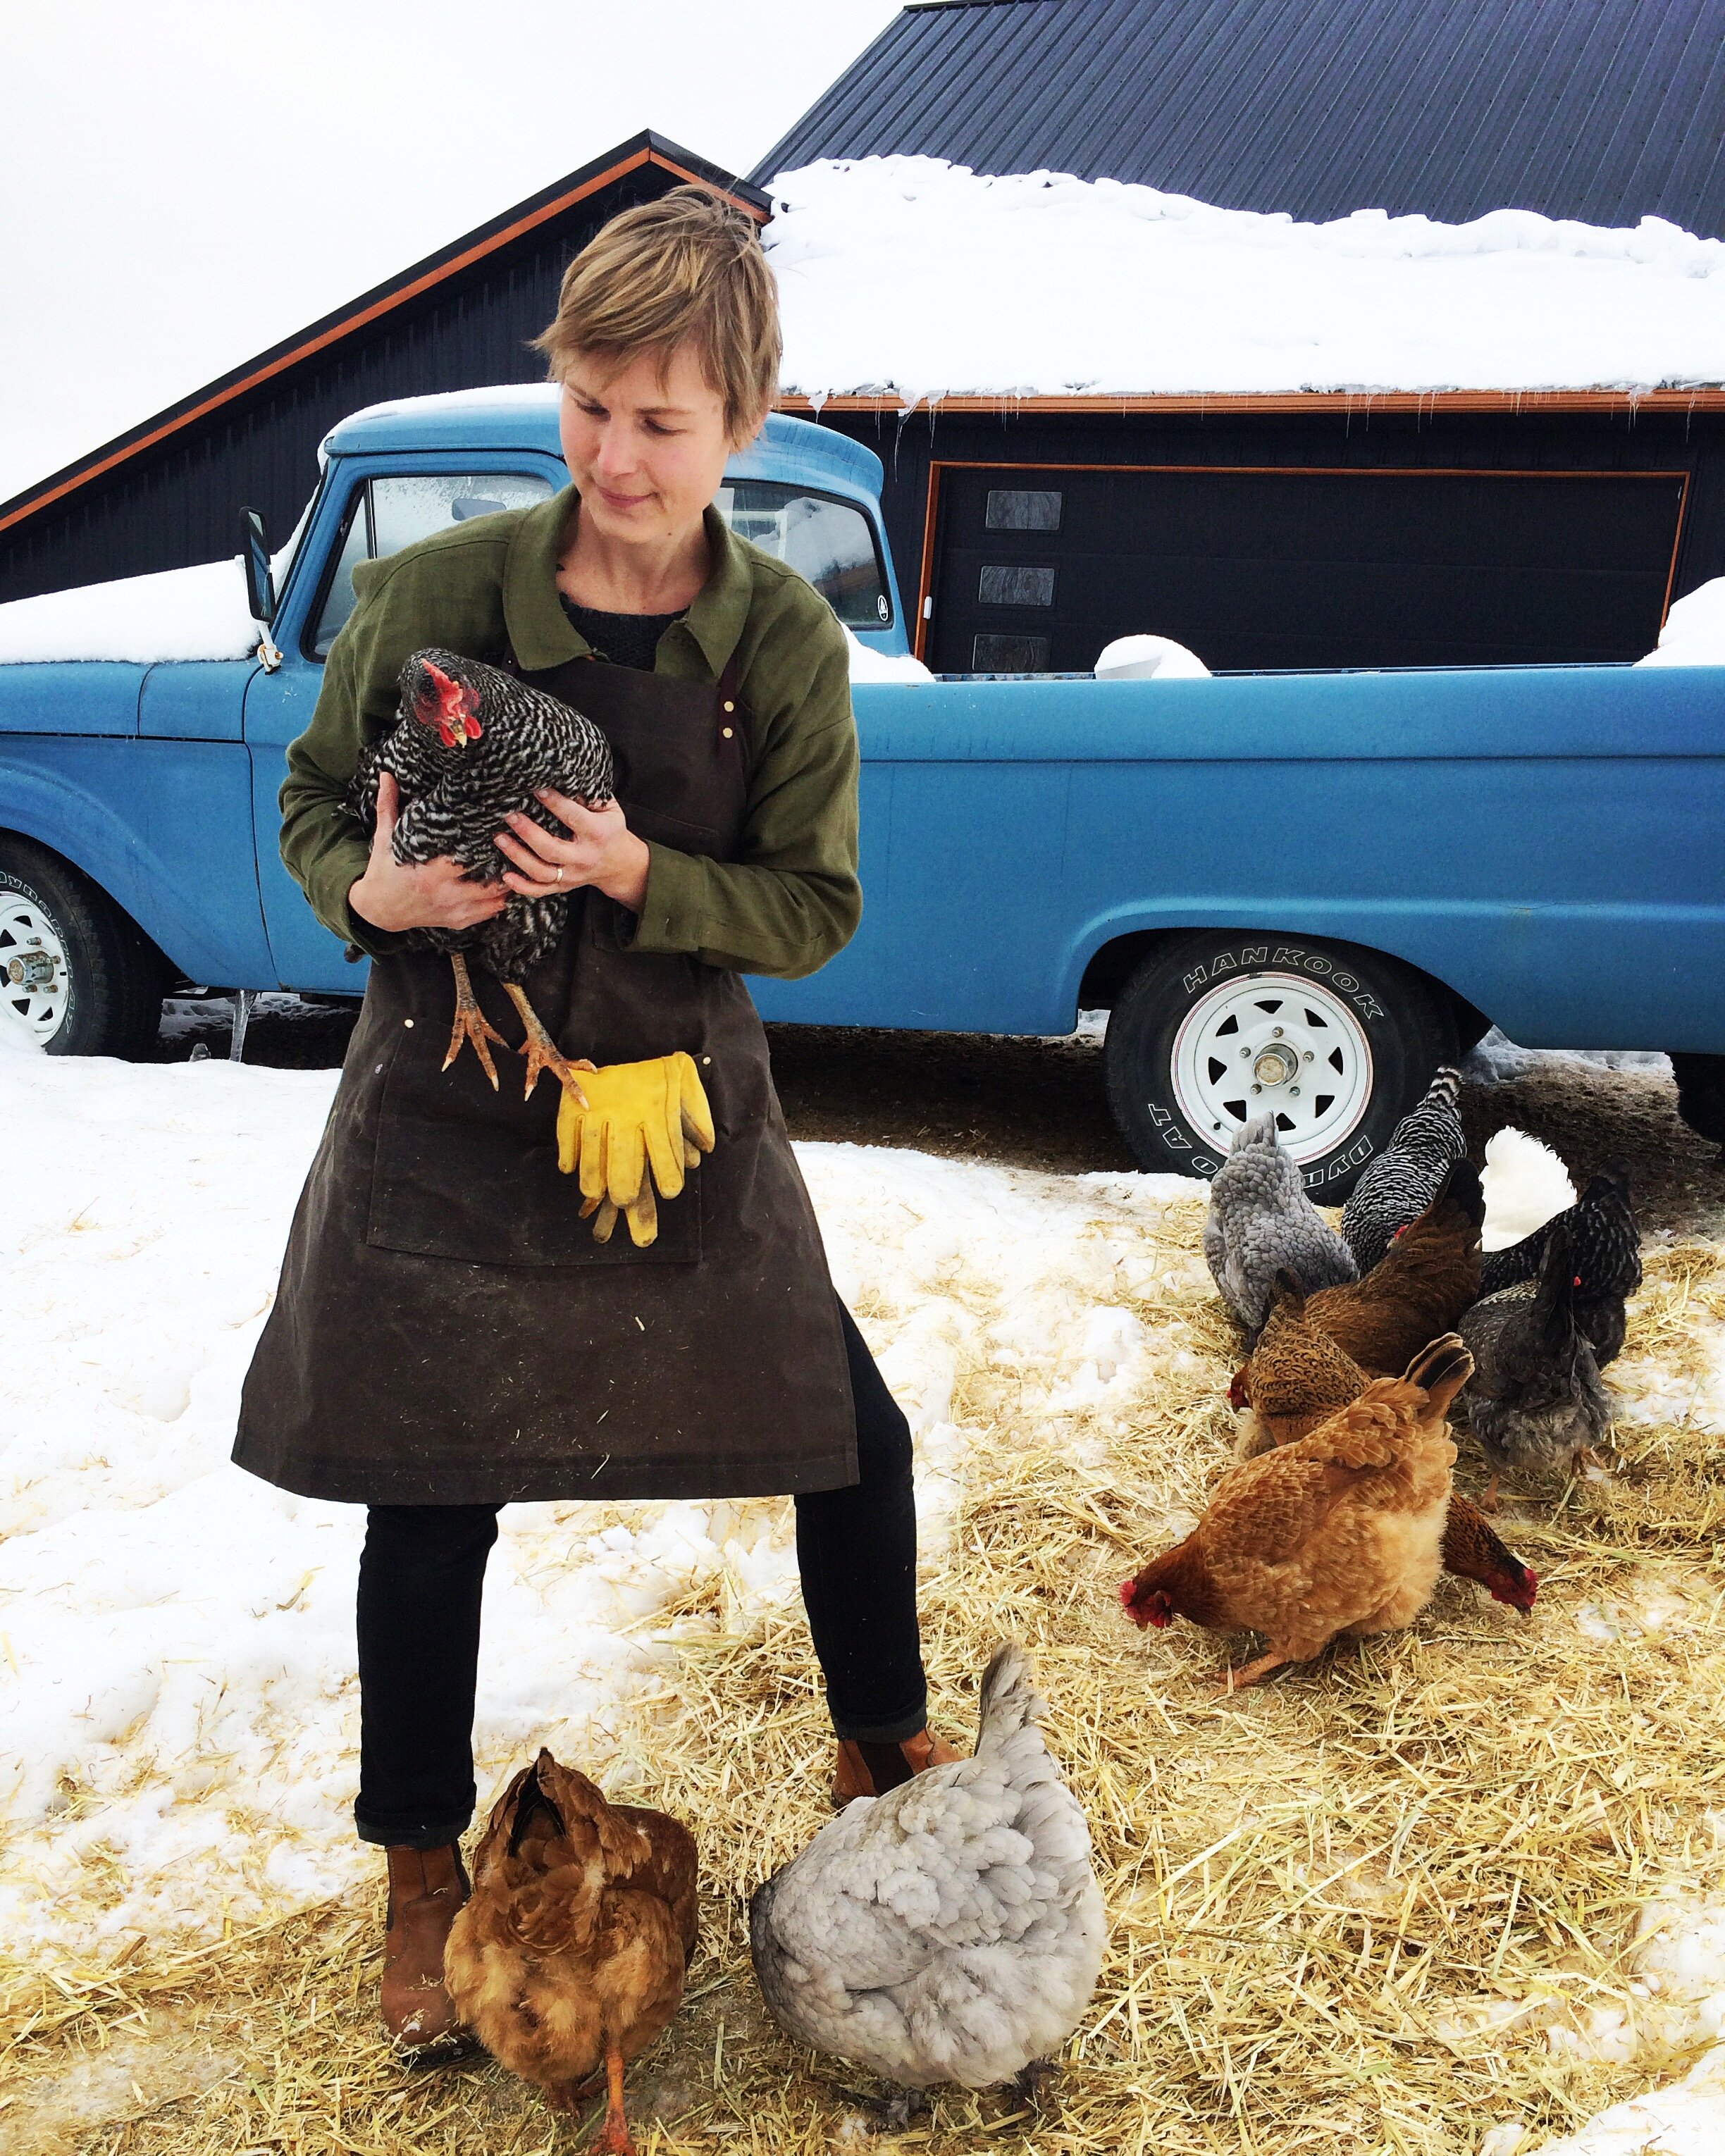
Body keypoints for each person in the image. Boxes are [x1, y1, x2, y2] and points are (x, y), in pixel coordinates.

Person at [233, 187, 956, 2052]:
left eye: (667, 417)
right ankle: (418, 1859)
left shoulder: (780, 640)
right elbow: (318, 810)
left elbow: (813, 907)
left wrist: (643, 866)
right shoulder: (424, 596)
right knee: (427, 1478)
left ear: (744, 424)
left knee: (845, 1433)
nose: (621, 454)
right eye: (592, 405)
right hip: (454, 1105)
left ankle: (883, 1745)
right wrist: (375, 898)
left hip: (673, 1105)